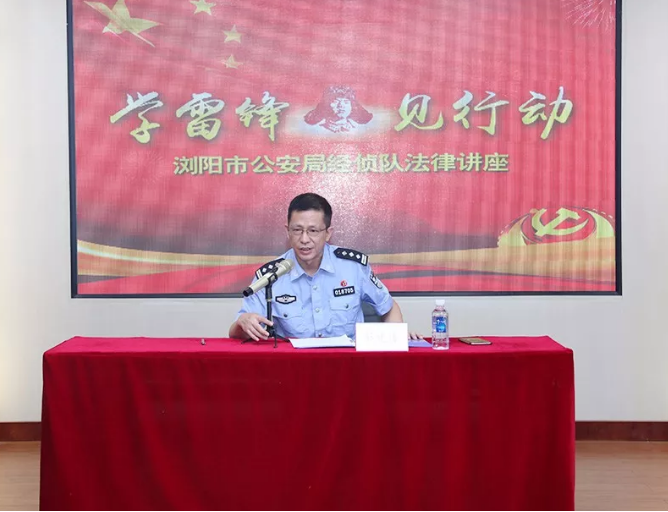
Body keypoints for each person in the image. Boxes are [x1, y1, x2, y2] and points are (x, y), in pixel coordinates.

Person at [229, 193, 421, 341]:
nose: (304, 239)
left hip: (349, 367)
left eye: (313, 231)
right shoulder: (271, 276)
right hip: (294, 369)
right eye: (297, 230)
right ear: (287, 231)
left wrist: (397, 338)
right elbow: (236, 332)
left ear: (328, 233)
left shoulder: (353, 268)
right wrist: (242, 323)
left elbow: (388, 307)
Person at [303, 85, 373, 133]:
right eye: (336, 101)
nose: (341, 106)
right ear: (326, 105)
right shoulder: (314, 130)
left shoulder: (362, 130)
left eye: (346, 102)